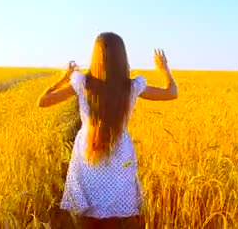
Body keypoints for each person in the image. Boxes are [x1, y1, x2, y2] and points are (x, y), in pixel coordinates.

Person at [37, 32, 179, 228]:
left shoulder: (82, 83)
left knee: (87, 219)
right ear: (123, 57)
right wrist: (164, 69)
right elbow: (171, 93)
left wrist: (63, 79)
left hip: (88, 154)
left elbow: (43, 102)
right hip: (119, 155)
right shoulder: (131, 87)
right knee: (114, 218)